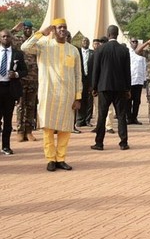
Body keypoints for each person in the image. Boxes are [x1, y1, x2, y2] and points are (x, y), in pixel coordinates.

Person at [21, 19, 82, 171]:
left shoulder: (73, 50)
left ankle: (61, 158)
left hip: (67, 95)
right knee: (47, 127)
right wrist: (42, 33)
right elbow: (25, 47)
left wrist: (78, 97)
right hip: (48, 93)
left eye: (64, 27)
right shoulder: (44, 46)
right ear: (54, 30)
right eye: (59, 27)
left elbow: (78, 75)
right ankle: (50, 159)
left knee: (65, 129)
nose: (62, 30)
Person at [90, 25, 131, 151]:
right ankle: (123, 142)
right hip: (120, 88)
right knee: (121, 115)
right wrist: (128, 88)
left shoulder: (100, 50)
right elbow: (127, 71)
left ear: (108, 34)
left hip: (104, 87)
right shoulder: (124, 50)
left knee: (102, 115)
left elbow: (96, 70)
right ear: (117, 34)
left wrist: (94, 87)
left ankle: (99, 143)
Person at [13, 21, 39, 142]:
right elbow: (0, 39)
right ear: (23, 29)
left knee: (31, 106)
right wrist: (14, 30)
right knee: (20, 105)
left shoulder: (36, 42)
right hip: (21, 78)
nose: (28, 30)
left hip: (34, 78)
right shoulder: (18, 40)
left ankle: (29, 131)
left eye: (30, 28)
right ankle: (20, 131)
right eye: (26, 28)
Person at [127, 38, 147, 125]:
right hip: (130, 80)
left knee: (137, 101)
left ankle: (134, 117)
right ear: (130, 43)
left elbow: (144, 66)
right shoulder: (127, 53)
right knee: (128, 100)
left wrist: (144, 79)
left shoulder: (141, 53)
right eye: (133, 42)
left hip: (139, 80)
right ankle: (128, 117)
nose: (135, 43)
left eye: (136, 42)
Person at [78, 37, 95, 127]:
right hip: (80, 79)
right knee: (80, 99)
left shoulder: (93, 53)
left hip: (89, 79)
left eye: (87, 41)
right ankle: (80, 120)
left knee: (89, 100)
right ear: (81, 42)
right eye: (84, 41)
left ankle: (87, 120)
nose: (85, 42)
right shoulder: (77, 52)